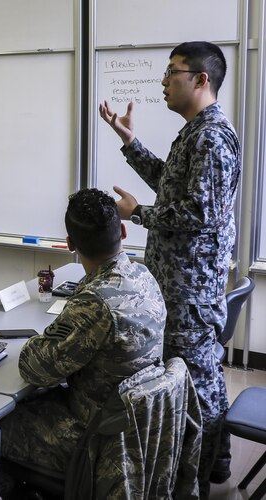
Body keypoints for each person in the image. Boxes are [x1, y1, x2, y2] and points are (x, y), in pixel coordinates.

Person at [99, 41, 240, 490]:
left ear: (201, 79)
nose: (163, 81)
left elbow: (199, 216)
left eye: (173, 72)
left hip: (190, 288)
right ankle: (205, 460)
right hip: (180, 283)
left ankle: (210, 464)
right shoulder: (196, 132)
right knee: (191, 373)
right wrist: (130, 142)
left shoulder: (213, 137)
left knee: (197, 375)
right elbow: (173, 185)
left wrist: (137, 212)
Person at [0, 188, 167, 494]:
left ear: (70, 245)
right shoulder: (145, 276)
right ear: (124, 231)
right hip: (137, 427)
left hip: (96, 438)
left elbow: (33, 368)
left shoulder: (95, 302)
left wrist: (51, 334)